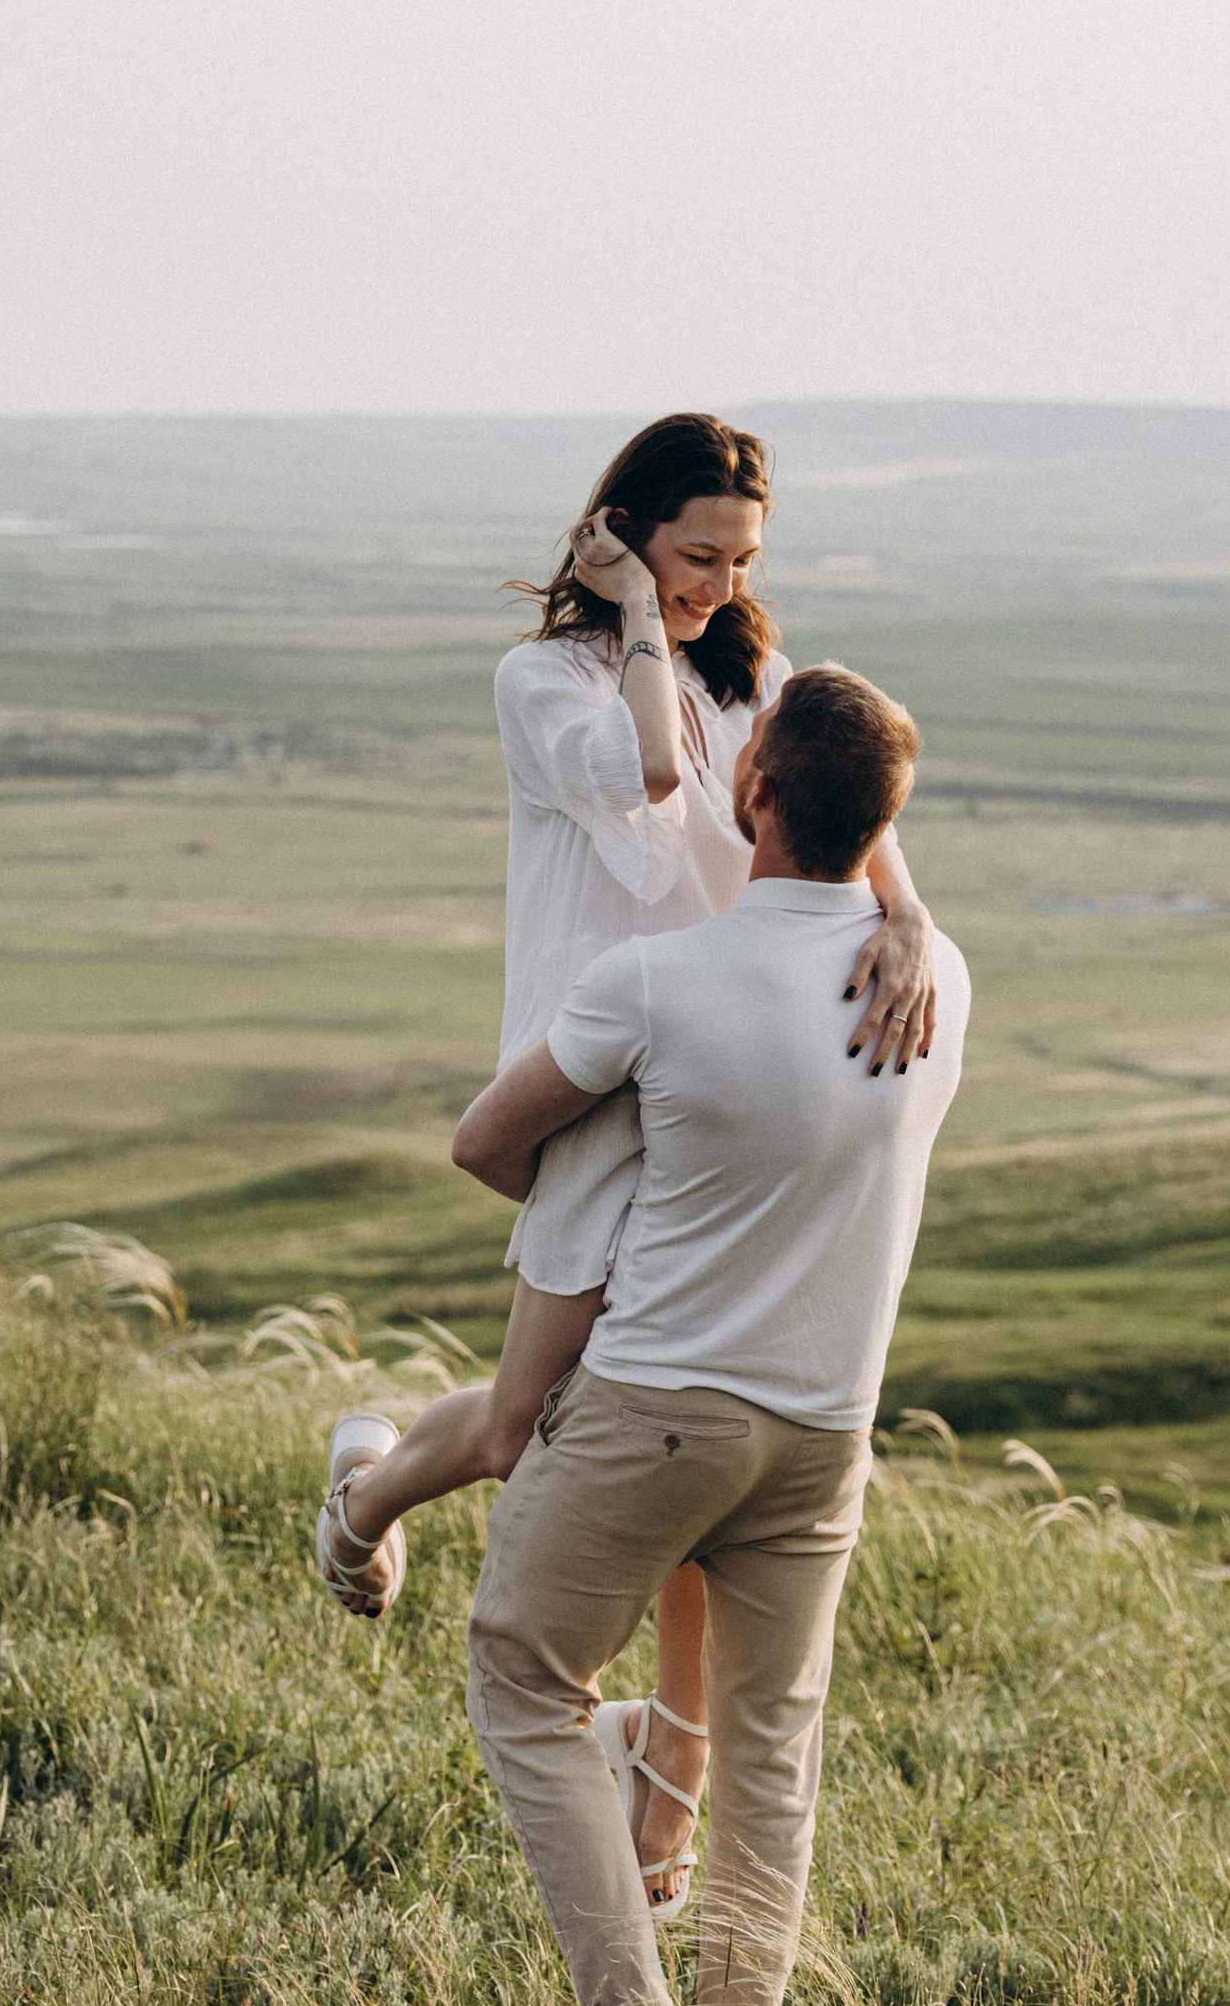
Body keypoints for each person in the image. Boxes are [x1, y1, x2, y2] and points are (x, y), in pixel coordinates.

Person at [314, 415, 938, 1922]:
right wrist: (627, 619)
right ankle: (367, 1492)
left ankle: (660, 1803)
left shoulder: (763, 680)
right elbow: (659, 783)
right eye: (693, 555)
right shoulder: (548, 682)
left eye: (743, 561)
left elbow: (859, 833)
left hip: (722, 1086)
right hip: (598, 1075)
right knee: (540, 1428)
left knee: (663, 1446)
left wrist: (909, 919)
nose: (719, 587)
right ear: (619, 538)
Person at [451, 663, 970, 2006]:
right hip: (827, 1432)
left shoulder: (656, 981)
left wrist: (632, 1160)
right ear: (888, 825)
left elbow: (489, 1145)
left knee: (522, 1673)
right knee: (767, 1756)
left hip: (658, 1406)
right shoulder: (936, 979)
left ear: (751, 794)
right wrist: (910, 908)